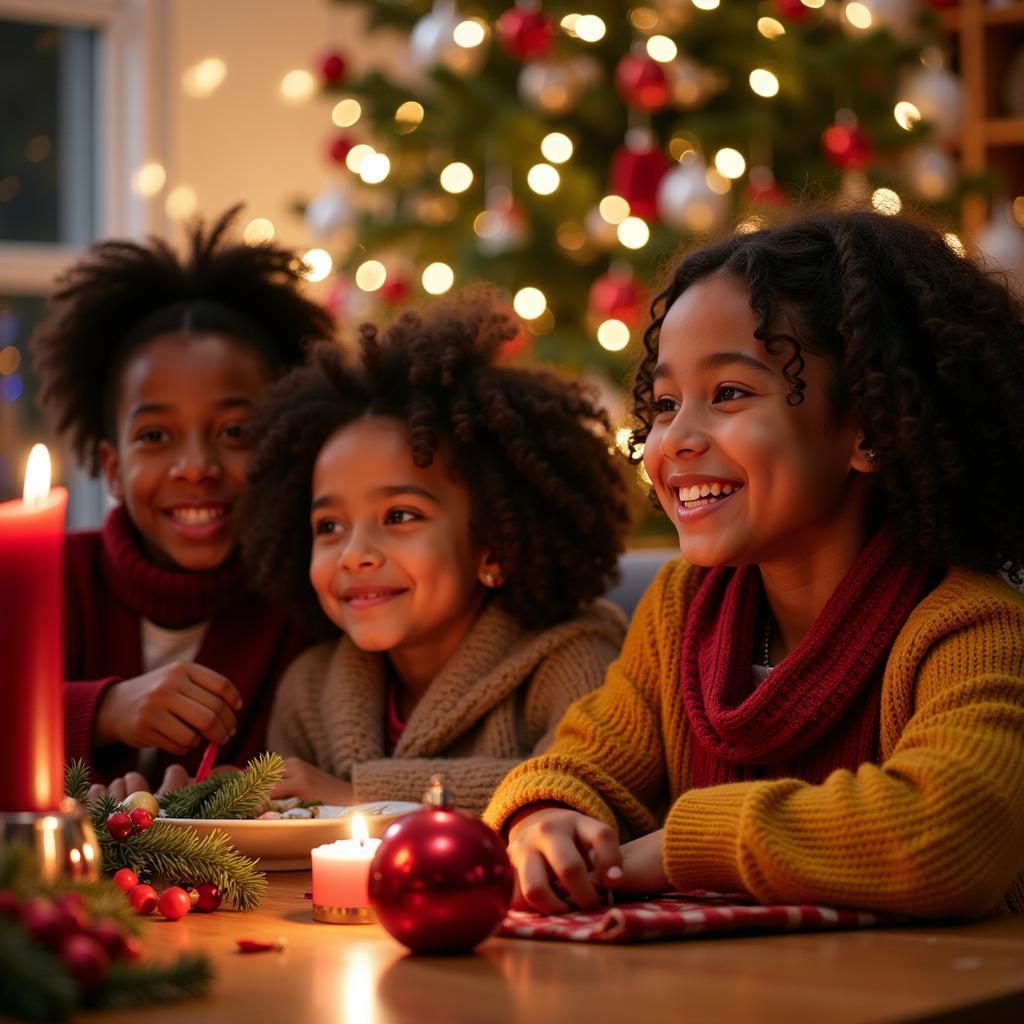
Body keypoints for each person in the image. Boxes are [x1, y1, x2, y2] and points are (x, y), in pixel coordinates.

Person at [483, 209, 1024, 918]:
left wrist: (674, 849)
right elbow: (579, 763)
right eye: (665, 403)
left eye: (730, 394)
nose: (674, 439)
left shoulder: (973, 628)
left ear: (869, 430)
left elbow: (945, 837)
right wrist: (544, 816)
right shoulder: (682, 607)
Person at [242, 292, 631, 815]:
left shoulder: (573, 660)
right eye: (329, 525)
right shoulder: (309, 690)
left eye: (399, 516)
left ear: (492, 543)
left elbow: (589, 783)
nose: (354, 555)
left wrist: (357, 795)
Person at [31, 206, 334, 791]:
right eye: (155, 436)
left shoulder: (309, 605)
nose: (195, 467)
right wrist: (105, 710)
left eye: (234, 432)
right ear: (112, 468)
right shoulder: (47, 579)